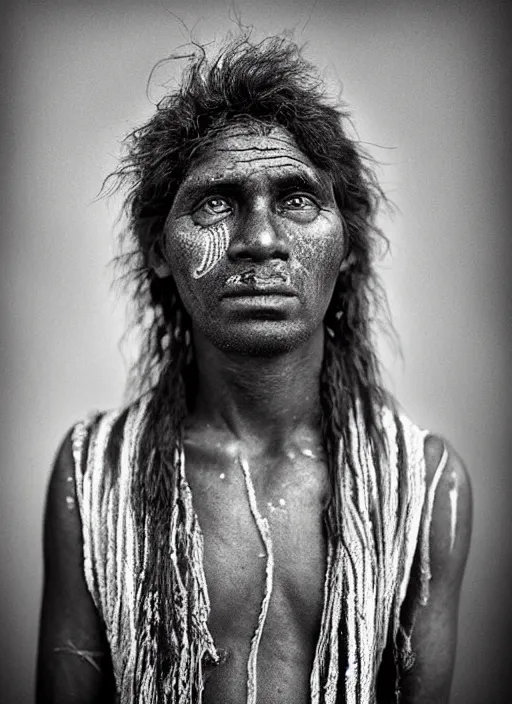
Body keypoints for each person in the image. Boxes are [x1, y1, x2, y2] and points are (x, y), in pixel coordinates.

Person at [36, 35, 472, 704]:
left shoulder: (423, 490)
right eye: (216, 203)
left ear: (346, 245)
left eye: (297, 199)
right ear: (160, 248)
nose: (260, 241)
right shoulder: (94, 475)